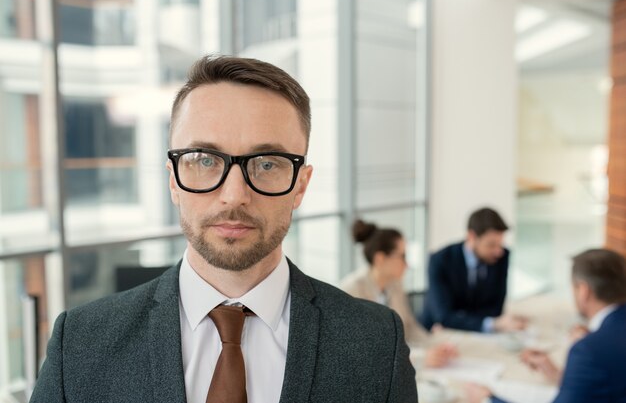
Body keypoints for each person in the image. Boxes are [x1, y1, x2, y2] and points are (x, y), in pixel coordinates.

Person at [29, 56, 417, 403]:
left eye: (267, 164)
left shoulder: (377, 343)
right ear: (173, 180)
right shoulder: (79, 344)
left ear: (300, 185)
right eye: (203, 159)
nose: (234, 196)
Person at [465, 248, 626, 403]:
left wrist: (486, 399)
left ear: (584, 291)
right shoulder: (596, 343)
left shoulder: (588, 350)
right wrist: (559, 375)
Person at [341, 219, 459, 368]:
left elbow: (409, 328)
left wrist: (435, 346)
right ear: (380, 259)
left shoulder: (395, 284)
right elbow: (365, 350)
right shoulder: (351, 291)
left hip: (400, 367)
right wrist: (420, 359)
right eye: (402, 256)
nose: (407, 264)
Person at [421, 207, 527, 332]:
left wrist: (463, 320)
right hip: (433, 334)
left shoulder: (501, 257)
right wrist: (492, 323)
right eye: (491, 245)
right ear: (471, 237)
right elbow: (444, 316)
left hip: (475, 333)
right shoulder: (440, 260)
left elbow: (496, 309)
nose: (498, 251)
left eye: (500, 244)